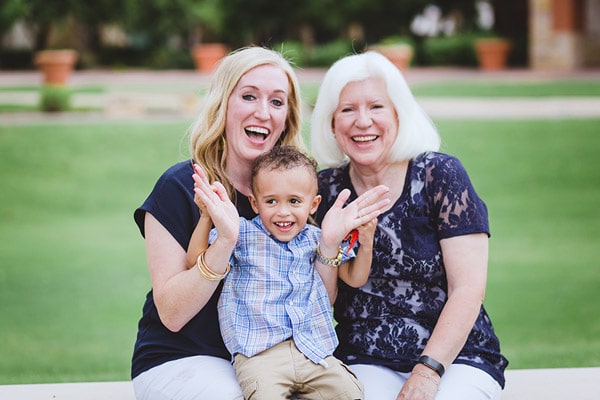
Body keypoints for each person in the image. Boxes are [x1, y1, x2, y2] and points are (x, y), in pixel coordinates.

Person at [310, 51, 509, 400]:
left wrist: (427, 371)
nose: (362, 121)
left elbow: (468, 288)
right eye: (347, 110)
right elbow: (318, 301)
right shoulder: (323, 190)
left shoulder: (440, 176)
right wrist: (327, 245)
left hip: (454, 359)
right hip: (364, 358)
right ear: (330, 123)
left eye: (376, 107)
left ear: (400, 114)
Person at [131, 46, 308, 400]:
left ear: (287, 118)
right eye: (248, 96)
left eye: (277, 102)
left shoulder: (295, 196)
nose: (263, 112)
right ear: (223, 104)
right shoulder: (180, 185)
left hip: (269, 362)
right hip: (182, 358)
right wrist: (224, 242)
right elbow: (172, 314)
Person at [187, 146, 390, 399]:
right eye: (271, 201)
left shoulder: (318, 238)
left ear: (314, 204)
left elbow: (355, 278)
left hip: (313, 351)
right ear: (254, 202)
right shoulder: (241, 234)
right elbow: (195, 260)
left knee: (350, 393)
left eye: (294, 201)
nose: (283, 211)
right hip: (260, 354)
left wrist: (367, 239)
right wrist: (206, 216)